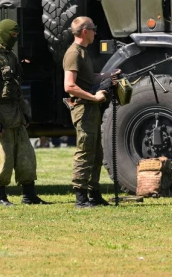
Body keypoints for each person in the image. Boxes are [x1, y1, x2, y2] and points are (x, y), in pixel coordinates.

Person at [0, 19, 48, 206]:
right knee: (2, 157)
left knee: (26, 156)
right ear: (3, 34)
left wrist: (25, 113)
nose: (14, 39)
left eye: (17, 36)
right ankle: (0, 197)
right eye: (12, 35)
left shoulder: (10, 56)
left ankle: (29, 195)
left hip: (15, 114)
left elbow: (17, 89)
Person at [63, 16, 118, 208]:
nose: (96, 32)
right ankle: (81, 198)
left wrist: (108, 75)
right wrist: (94, 97)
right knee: (85, 151)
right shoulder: (73, 54)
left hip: (90, 108)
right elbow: (69, 86)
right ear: (85, 31)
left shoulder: (83, 53)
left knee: (96, 153)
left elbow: (88, 77)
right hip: (83, 108)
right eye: (94, 29)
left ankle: (94, 194)